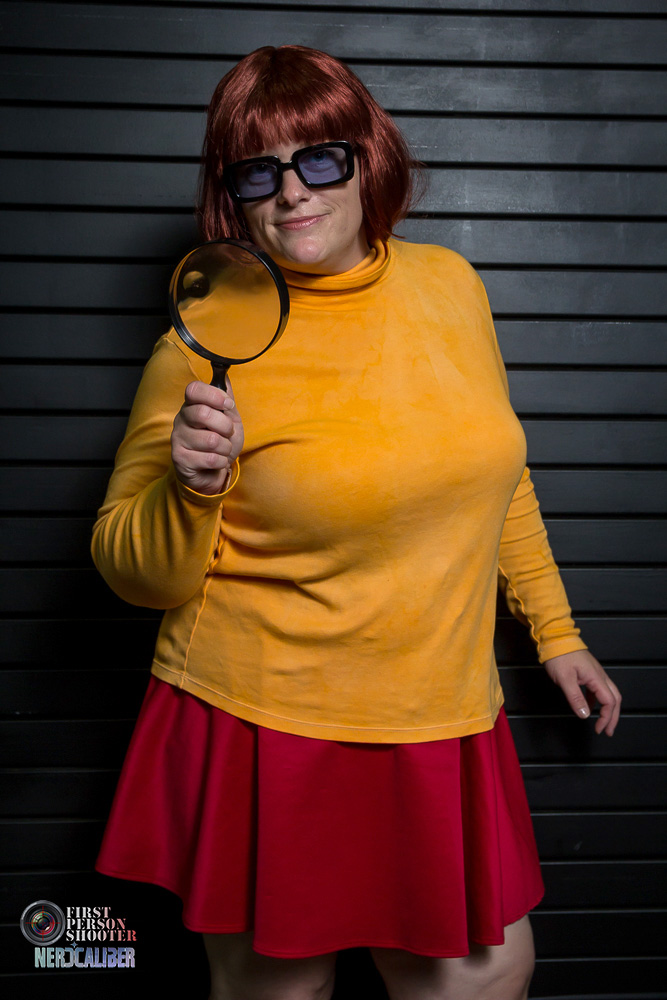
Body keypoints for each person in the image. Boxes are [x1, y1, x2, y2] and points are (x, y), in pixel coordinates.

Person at [92, 45, 622, 1000]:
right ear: (233, 194)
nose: (292, 192)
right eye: (258, 172)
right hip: (266, 722)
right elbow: (135, 572)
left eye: (318, 159)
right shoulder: (203, 339)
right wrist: (192, 487)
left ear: (365, 158)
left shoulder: (450, 284)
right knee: (280, 990)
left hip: (439, 710)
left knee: (489, 974)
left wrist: (555, 631)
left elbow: (497, 472)